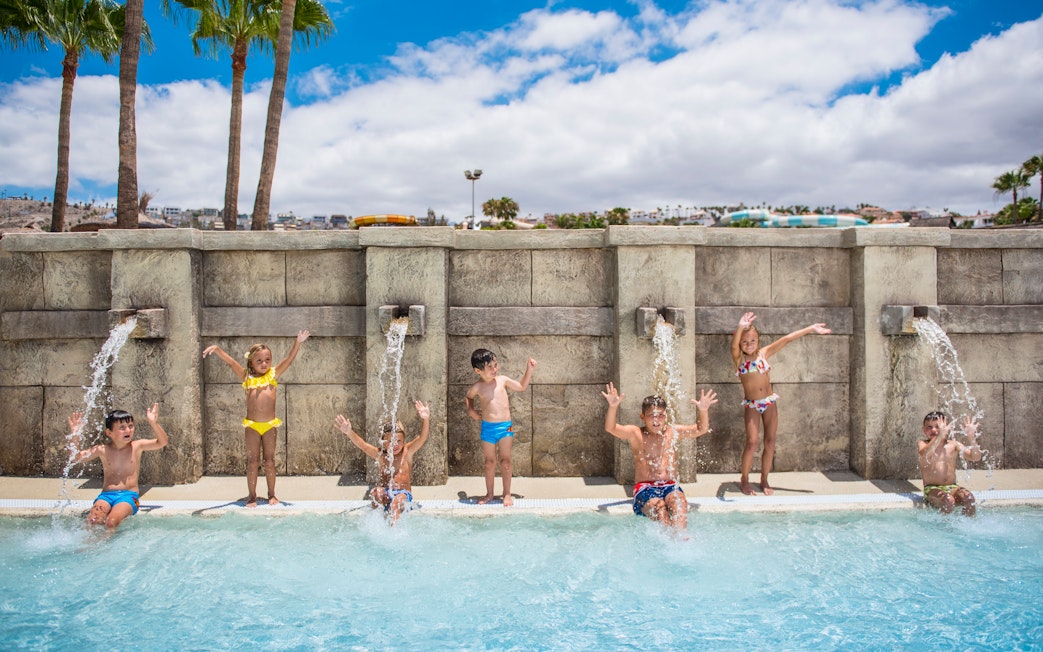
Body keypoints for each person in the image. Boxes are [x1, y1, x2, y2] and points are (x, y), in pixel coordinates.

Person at [202, 330, 310, 507]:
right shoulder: (246, 376)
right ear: (251, 362)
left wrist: (297, 342)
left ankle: (272, 494)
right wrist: (217, 349)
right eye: (259, 360)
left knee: (270, 461)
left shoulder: (273, 374)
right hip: (252, 426)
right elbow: (230, 363)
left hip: (269, 426)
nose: (264, 363)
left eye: (267, 359)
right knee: (252, 461)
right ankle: (252, 496)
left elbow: (289, 360)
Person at [731, 312, 830, 496]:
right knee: (752, 442)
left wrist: (810, 328)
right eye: (744, 342)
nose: (748, 345)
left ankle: (764, 478)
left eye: (752, 341)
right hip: (752, 404)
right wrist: (740, 326)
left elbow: (786, 339)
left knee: (770, 441)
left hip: (769, 402)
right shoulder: (739, 359)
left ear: (758, 341)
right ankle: (744, 479)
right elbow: (734, 345)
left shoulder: (763, 353)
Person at [600, 382, 718, 532]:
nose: (657, 420)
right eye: (652, 416)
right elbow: (610, 428)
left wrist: (703, 410)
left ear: (666, 416)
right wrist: (613, 406)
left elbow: (701, 429)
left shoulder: (672, 432)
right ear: (642, 417)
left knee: (679, 502)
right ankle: (668, 541)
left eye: (661, 415)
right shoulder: (636, 433)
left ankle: (681, 539)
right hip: (645, 488)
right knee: (659, 507)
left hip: (669, 485)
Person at [67, 403, 169, 530]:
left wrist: (153, 423)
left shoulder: (137, 446)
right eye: (122, 427)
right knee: (92, 521)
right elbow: (76, 458)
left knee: (111, 522)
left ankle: (105, 545)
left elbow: (162, 442)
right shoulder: (103, 450)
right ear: (109, 433)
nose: (128, 430)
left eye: (130, 426)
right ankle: (89, 547)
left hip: (128, 496)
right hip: (106, 496)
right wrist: (75, 435)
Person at [335, 400, 431, 524]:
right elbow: (363, 446)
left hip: (403, 494)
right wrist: (349, 432)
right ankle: (378, 521)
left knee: (396, 503)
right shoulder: (381, 455)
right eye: (390, 441)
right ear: (383, 442)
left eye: (398, 441)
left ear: (404, 441)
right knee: (376, 493)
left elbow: (422, 438)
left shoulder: (407, 452)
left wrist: (426, 419)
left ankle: (393, 529)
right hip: (387, 493)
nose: (394, 445)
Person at [465, 349, 536, 506]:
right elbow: (469, 397)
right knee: (489, 462)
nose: (494, 369)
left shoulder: (502, 380)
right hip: (487, 428)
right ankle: (489, 494)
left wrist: (529, 370)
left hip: (506, 428)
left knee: (505, 461)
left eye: (495, 365)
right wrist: (471, 410)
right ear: (478, 370)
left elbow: (521, 386)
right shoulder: (477, 386)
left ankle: (507, 494)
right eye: (490, 367)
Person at [918, 411, 982, 516]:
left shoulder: (954, 445)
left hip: (952, 487)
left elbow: (975, 457)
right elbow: (924, 454)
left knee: (969, 498)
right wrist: (939, 437)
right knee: (948, 500)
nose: (934, 430)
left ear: (947, 427)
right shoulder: (923, 443)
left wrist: (971, 438)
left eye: (938, 426)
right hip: (932, 489)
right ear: (923, 430)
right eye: (929, 427)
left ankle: (967, 526)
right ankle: (944, 528)